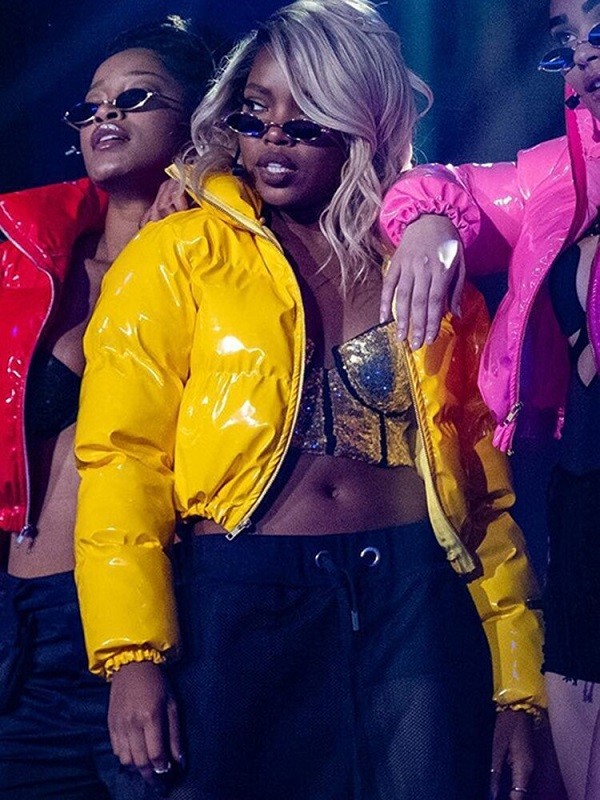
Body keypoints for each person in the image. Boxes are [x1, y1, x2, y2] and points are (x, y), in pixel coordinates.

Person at [74, 2, 544, 798]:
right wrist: (132, 655)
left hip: (414, 600)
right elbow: (123, 459)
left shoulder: (421, 262)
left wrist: (517, 686)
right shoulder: (176, 253)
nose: (273, 140)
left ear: (361, 124)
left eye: (305, 122)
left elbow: (482, 486)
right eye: (254, 114)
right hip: (241, 600)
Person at [378, 1, 600, 798]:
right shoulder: (562, 177)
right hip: (584, 510)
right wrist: (429, 225)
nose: (584, 61)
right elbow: (441, 187)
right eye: (568, 44)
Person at [0, 15, 211, 799]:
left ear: (197, 121)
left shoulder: (221, 263)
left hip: (155, 619)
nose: (106, 116)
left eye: (136, 98)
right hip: (21, 624)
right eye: (91, 105)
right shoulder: (30, 268)